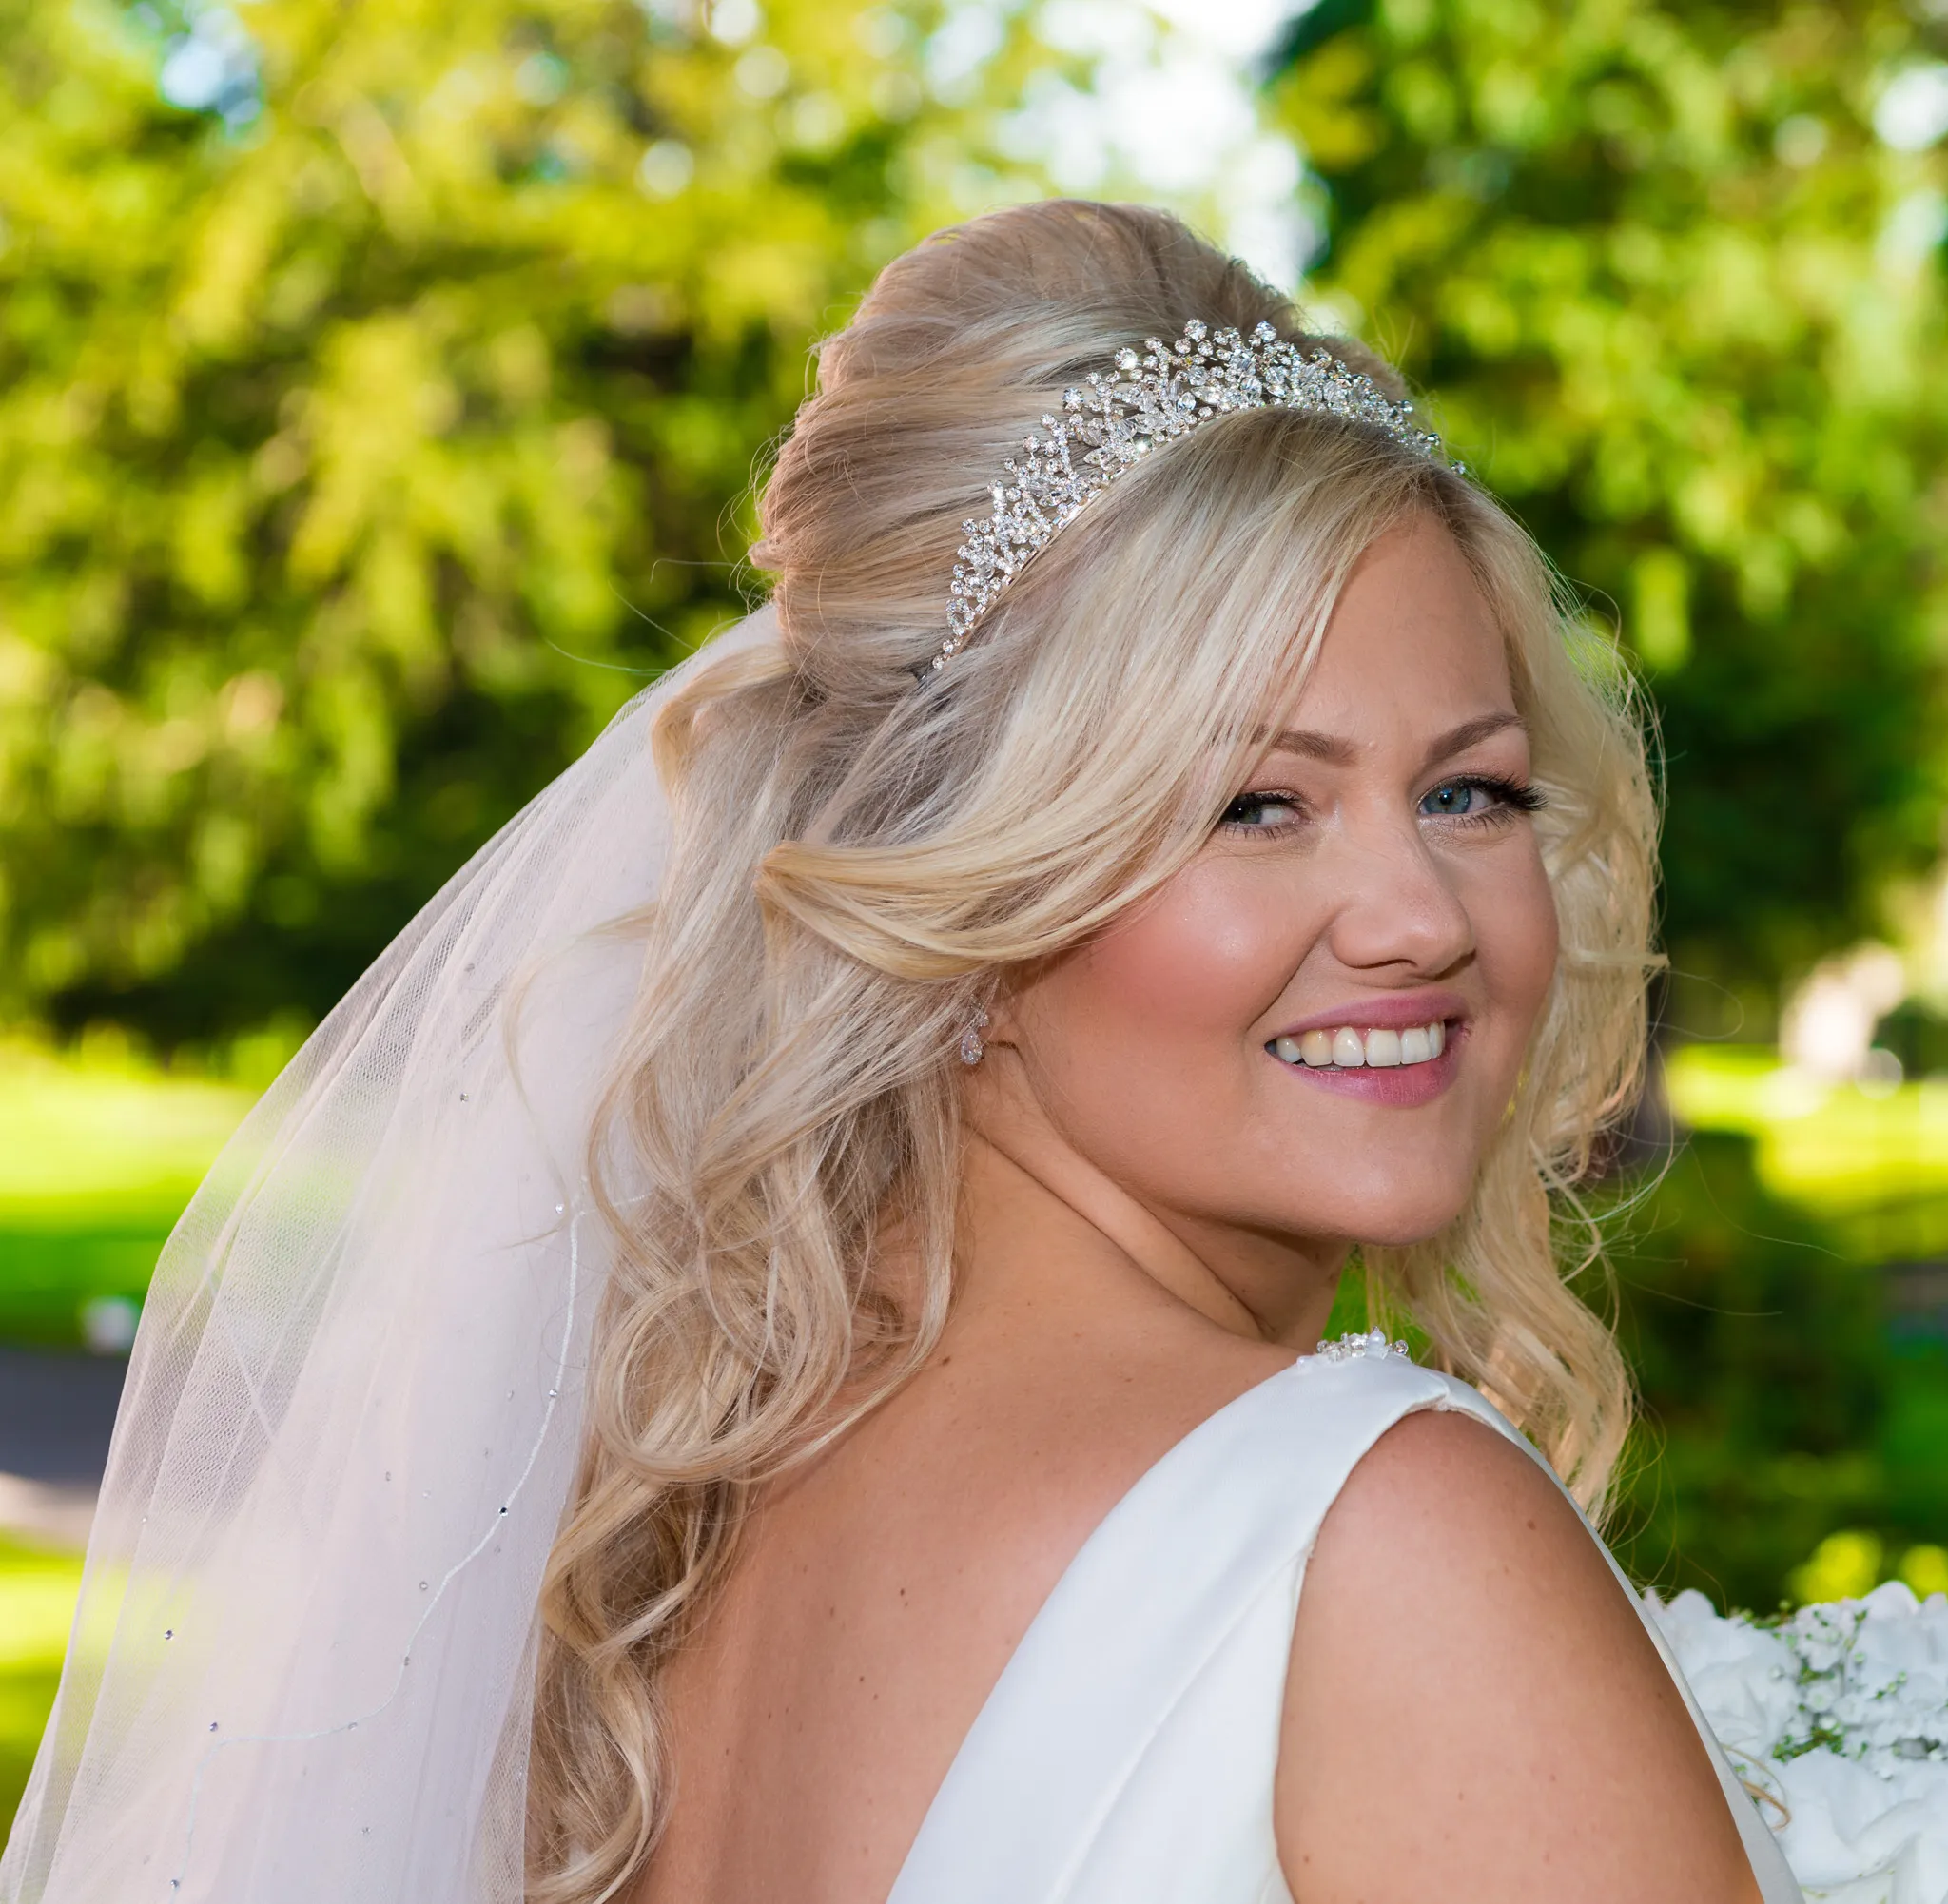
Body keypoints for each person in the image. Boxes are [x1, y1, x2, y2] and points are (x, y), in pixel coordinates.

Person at [0, 202, 1798, 1904]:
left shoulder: (667, 1528)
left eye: (1468, 787)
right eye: (1255, 803)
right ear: (959, 890)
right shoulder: (1381, 1540)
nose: (1421, 911)